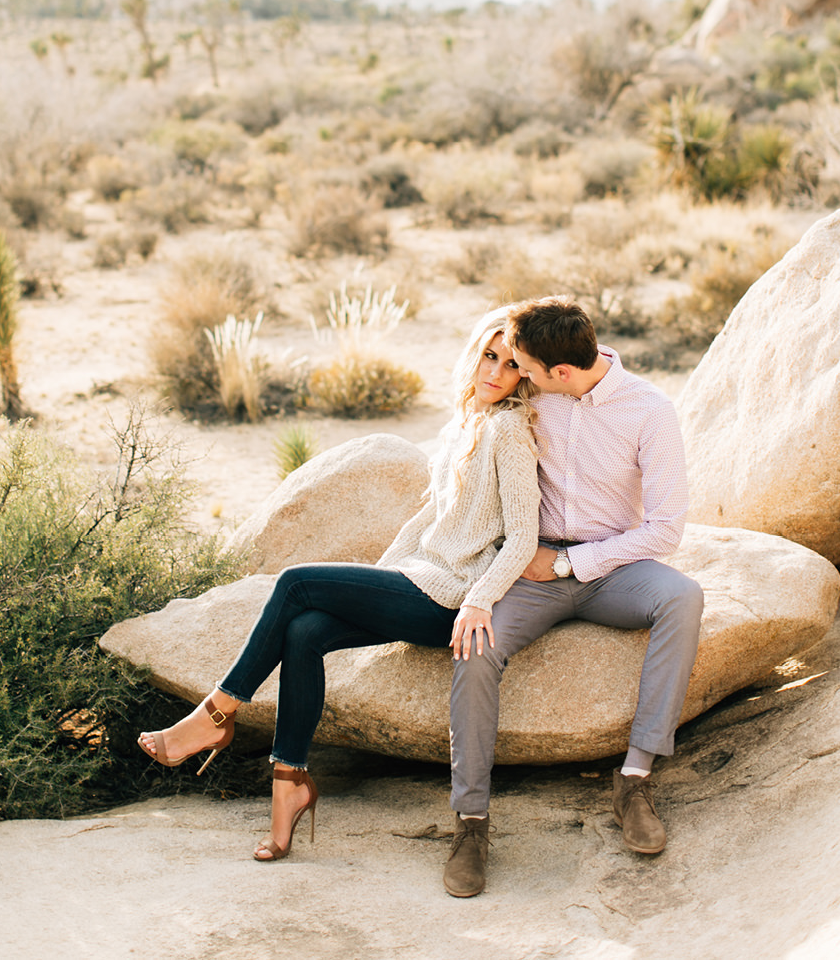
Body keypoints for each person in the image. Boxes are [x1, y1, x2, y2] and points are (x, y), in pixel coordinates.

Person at [136, 307, 540, 864]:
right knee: (304, 633)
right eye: (489, 356)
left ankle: (216, 714)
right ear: (474, 354)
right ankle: (291, 785)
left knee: (297, 584)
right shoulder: (464, 423)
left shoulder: (510, 431)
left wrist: (477, 600)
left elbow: (522, 537)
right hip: (418, 580)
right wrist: (382, 575)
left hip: (452, 600)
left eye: (512, 365)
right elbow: (429, 523)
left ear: (526, 376)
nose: (495, 372)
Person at [442, 295, 702, 896]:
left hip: (610, 568)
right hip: (529, 569)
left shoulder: (650, 411)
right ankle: (471, 821)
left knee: (682, 598)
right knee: (474, 645)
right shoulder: (531, 393)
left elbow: (666, 528)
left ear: (561, 372)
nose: (518, 377)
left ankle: (634, 779)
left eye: (527, 369)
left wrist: (568, 563)